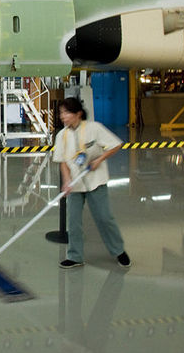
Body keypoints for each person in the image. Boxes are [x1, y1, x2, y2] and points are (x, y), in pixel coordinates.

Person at [53, 97, 130, 269]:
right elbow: (62, 161)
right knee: (73, 222)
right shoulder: (61, 136)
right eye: (61, 113)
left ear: (78, 114)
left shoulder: (94, 128)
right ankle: (75, 256)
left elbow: (115, 145)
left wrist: (99, 160)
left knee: (104, 217)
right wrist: (66, 181)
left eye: (66, 112)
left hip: (95, 180)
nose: (63, 116)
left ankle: (119, 251)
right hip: (75, 184)